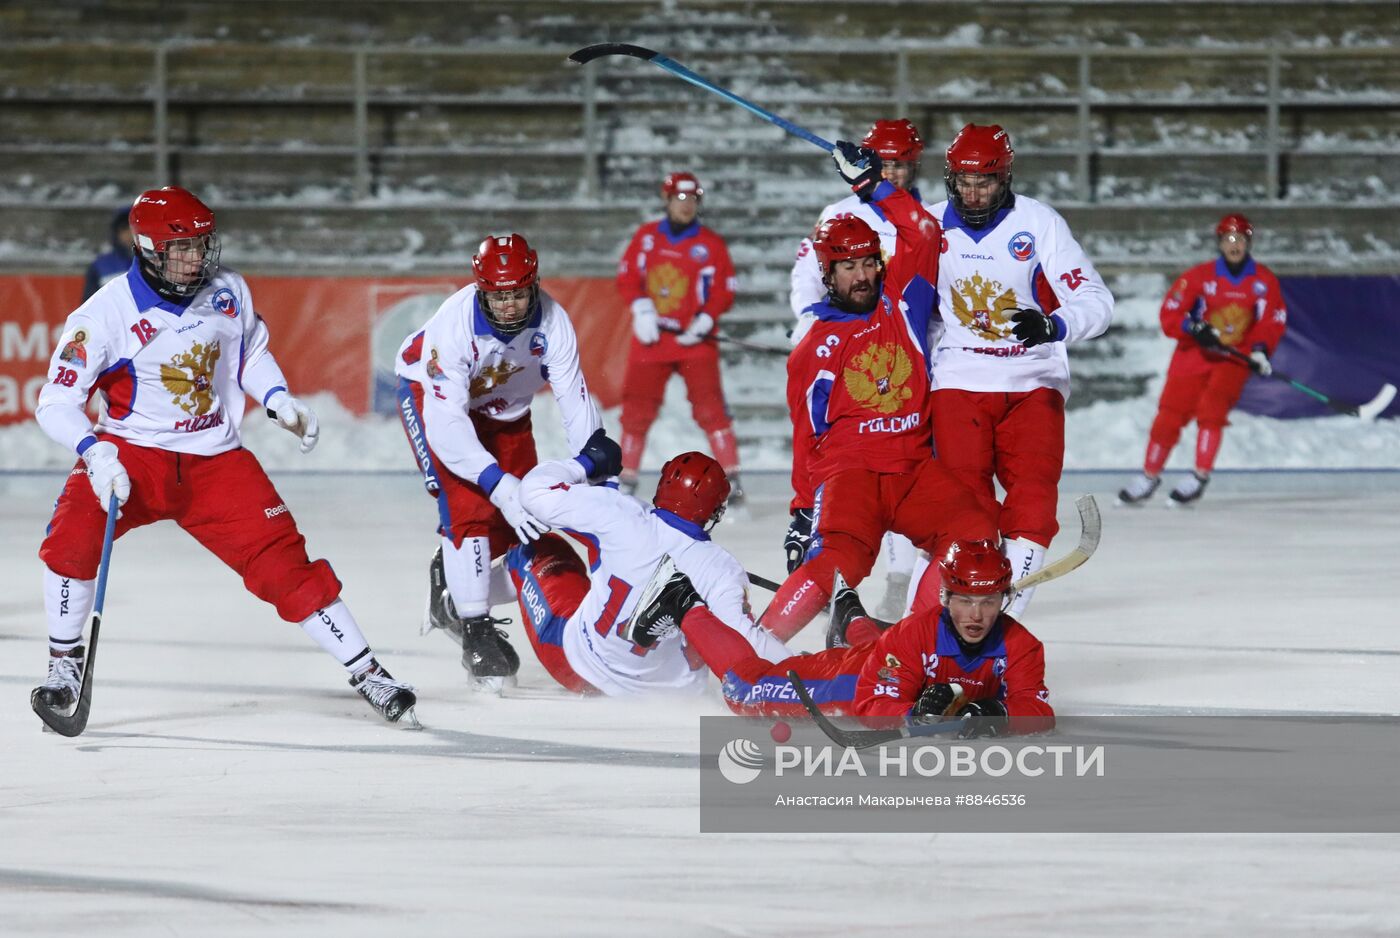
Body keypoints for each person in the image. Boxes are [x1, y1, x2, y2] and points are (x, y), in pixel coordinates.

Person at [32, 186, 417, 725]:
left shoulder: (227, 290)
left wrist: (278, 397)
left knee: (287, 566)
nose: (197, 258)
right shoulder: (100, 317)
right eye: (182, 248)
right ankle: (63, 663)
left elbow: (250, 348)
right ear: (146, 249)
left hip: (216, 461)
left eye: (201, 245)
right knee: (71, 538)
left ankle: (369, 672)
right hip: (130, 456)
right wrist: (95, 453)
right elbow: (55, 402)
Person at [764, 141, 997, 642]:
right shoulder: (815, 345)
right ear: (827, 274)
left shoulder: (903, 303)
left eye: (869, 262)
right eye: (848, 267)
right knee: (838, 563)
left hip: (913, 470)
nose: (863, 275)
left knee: (975, 535)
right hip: (852, 473)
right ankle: (755, 649)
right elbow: (806, 434)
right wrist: (802, 511)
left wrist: (873, 186)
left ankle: (916, 642)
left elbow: (925, 230)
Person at [395, 232, 603, 688]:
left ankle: (448, 595)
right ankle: (475, 631)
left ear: (534, 285)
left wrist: (596, 476)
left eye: (518, 293)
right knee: (467, 507)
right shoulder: (453, 326)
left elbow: (574, 398)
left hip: (505, 410)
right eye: (498, 295)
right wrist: (497, 482)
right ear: (481, 290)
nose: (509, 305)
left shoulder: (553, 322)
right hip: (432, 399)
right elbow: (447, 425)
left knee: (519, 526)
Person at [926, 123, 1114, 618]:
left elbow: (1096, 301)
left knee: (1032, 506)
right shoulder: (927, 226)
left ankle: (1000, 623)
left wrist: (1055, 325)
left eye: (984, 182)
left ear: (1005, 178)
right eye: (963, 182)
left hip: (1033, 382)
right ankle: (946, 620)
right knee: (964, 512)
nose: (972, 193)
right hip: (959, 383)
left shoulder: (1040, 223)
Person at [635, 539, 1054, 737]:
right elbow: (872, 705)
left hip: (885, 658)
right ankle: (681, 599)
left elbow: (1037, 707)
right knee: (745, 689)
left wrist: (993, 711)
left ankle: (849, 613)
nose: (976, 615)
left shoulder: (1023, 645)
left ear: (1004, 599)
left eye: (988, 601)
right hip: (849, 681)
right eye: (963, 600)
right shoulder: (916, 634)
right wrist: (915, 714)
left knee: (881, 648)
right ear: (944, 596)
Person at [787, 119, 933, 622]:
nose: (893, 171)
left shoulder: (923, 213)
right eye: (884, 163)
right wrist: (814, 329)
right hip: (853, 348)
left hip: (910, 341)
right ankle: (842, 555)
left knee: (910, 461)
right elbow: (807, 279)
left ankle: (902, 580)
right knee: (861, 458)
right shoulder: (838, 213)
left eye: (901, 164)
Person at [503, 441, 790, 696]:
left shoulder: (621, 512)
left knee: (536, 545)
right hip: (672, 693)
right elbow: (748, 641)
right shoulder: (723, 567)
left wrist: (586, 461)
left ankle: (471, 614)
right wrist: (797, 669)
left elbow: (533, 492)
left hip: (581, 668)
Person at [1119, 214, 1287, 505]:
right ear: (1220, 243)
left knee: (1212, 411)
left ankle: (1199, 476)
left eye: (1240, 240)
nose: (1234, 246)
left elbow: (1272, 320)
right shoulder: (1198, 277)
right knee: (1169, 415)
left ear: (1249, 243)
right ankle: (1149, 476)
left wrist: (1259, 349)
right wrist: (1192, 327)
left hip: (1233, 358)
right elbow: (1170, 314)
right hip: (1193, 354)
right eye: (1228, 239)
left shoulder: (1264, 281)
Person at [615, 172, 745, 510]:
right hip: (653, 339)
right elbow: (628, 277)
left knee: (711, 408)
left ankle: (734, 481)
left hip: (693, 341)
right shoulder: (646, 238)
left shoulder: (711, 244)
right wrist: (642, 308)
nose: (685, 206)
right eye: (679, 199)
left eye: (692, 200)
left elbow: (724, 289)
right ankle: (625, 479)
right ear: (667, 200)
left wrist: (706, 318)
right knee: (636, 410)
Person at [82, 206, 134, 301]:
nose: (130, 233)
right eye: (124, 228)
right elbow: (88, 304)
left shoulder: (156, 261)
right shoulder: (101, 265)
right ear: (116, 233)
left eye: (133, 227)